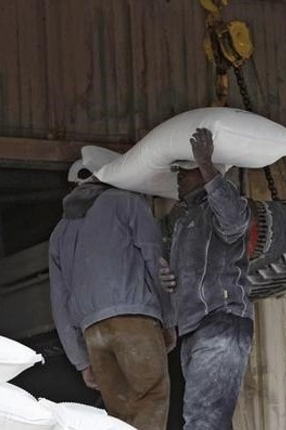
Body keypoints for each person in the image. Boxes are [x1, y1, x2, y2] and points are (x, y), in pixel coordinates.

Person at [49, 161, 176, 430]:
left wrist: (80, 359)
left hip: (92, 334)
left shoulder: (60, 232)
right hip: (133, 319)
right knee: (151, 397)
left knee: (120, 416)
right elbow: (155, 259)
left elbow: (59, 301)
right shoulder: (126, 202)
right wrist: (168, 317)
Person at [159, 127, 254, 430]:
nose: (179, 176)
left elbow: (235, 220)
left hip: (220, 322)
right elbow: (181, 276)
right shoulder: (185, 218)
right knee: (205, 419)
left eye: (185, 171)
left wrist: (205, 164)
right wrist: (167, 277)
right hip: (194, 328)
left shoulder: (220, 207)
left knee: (204, 420)